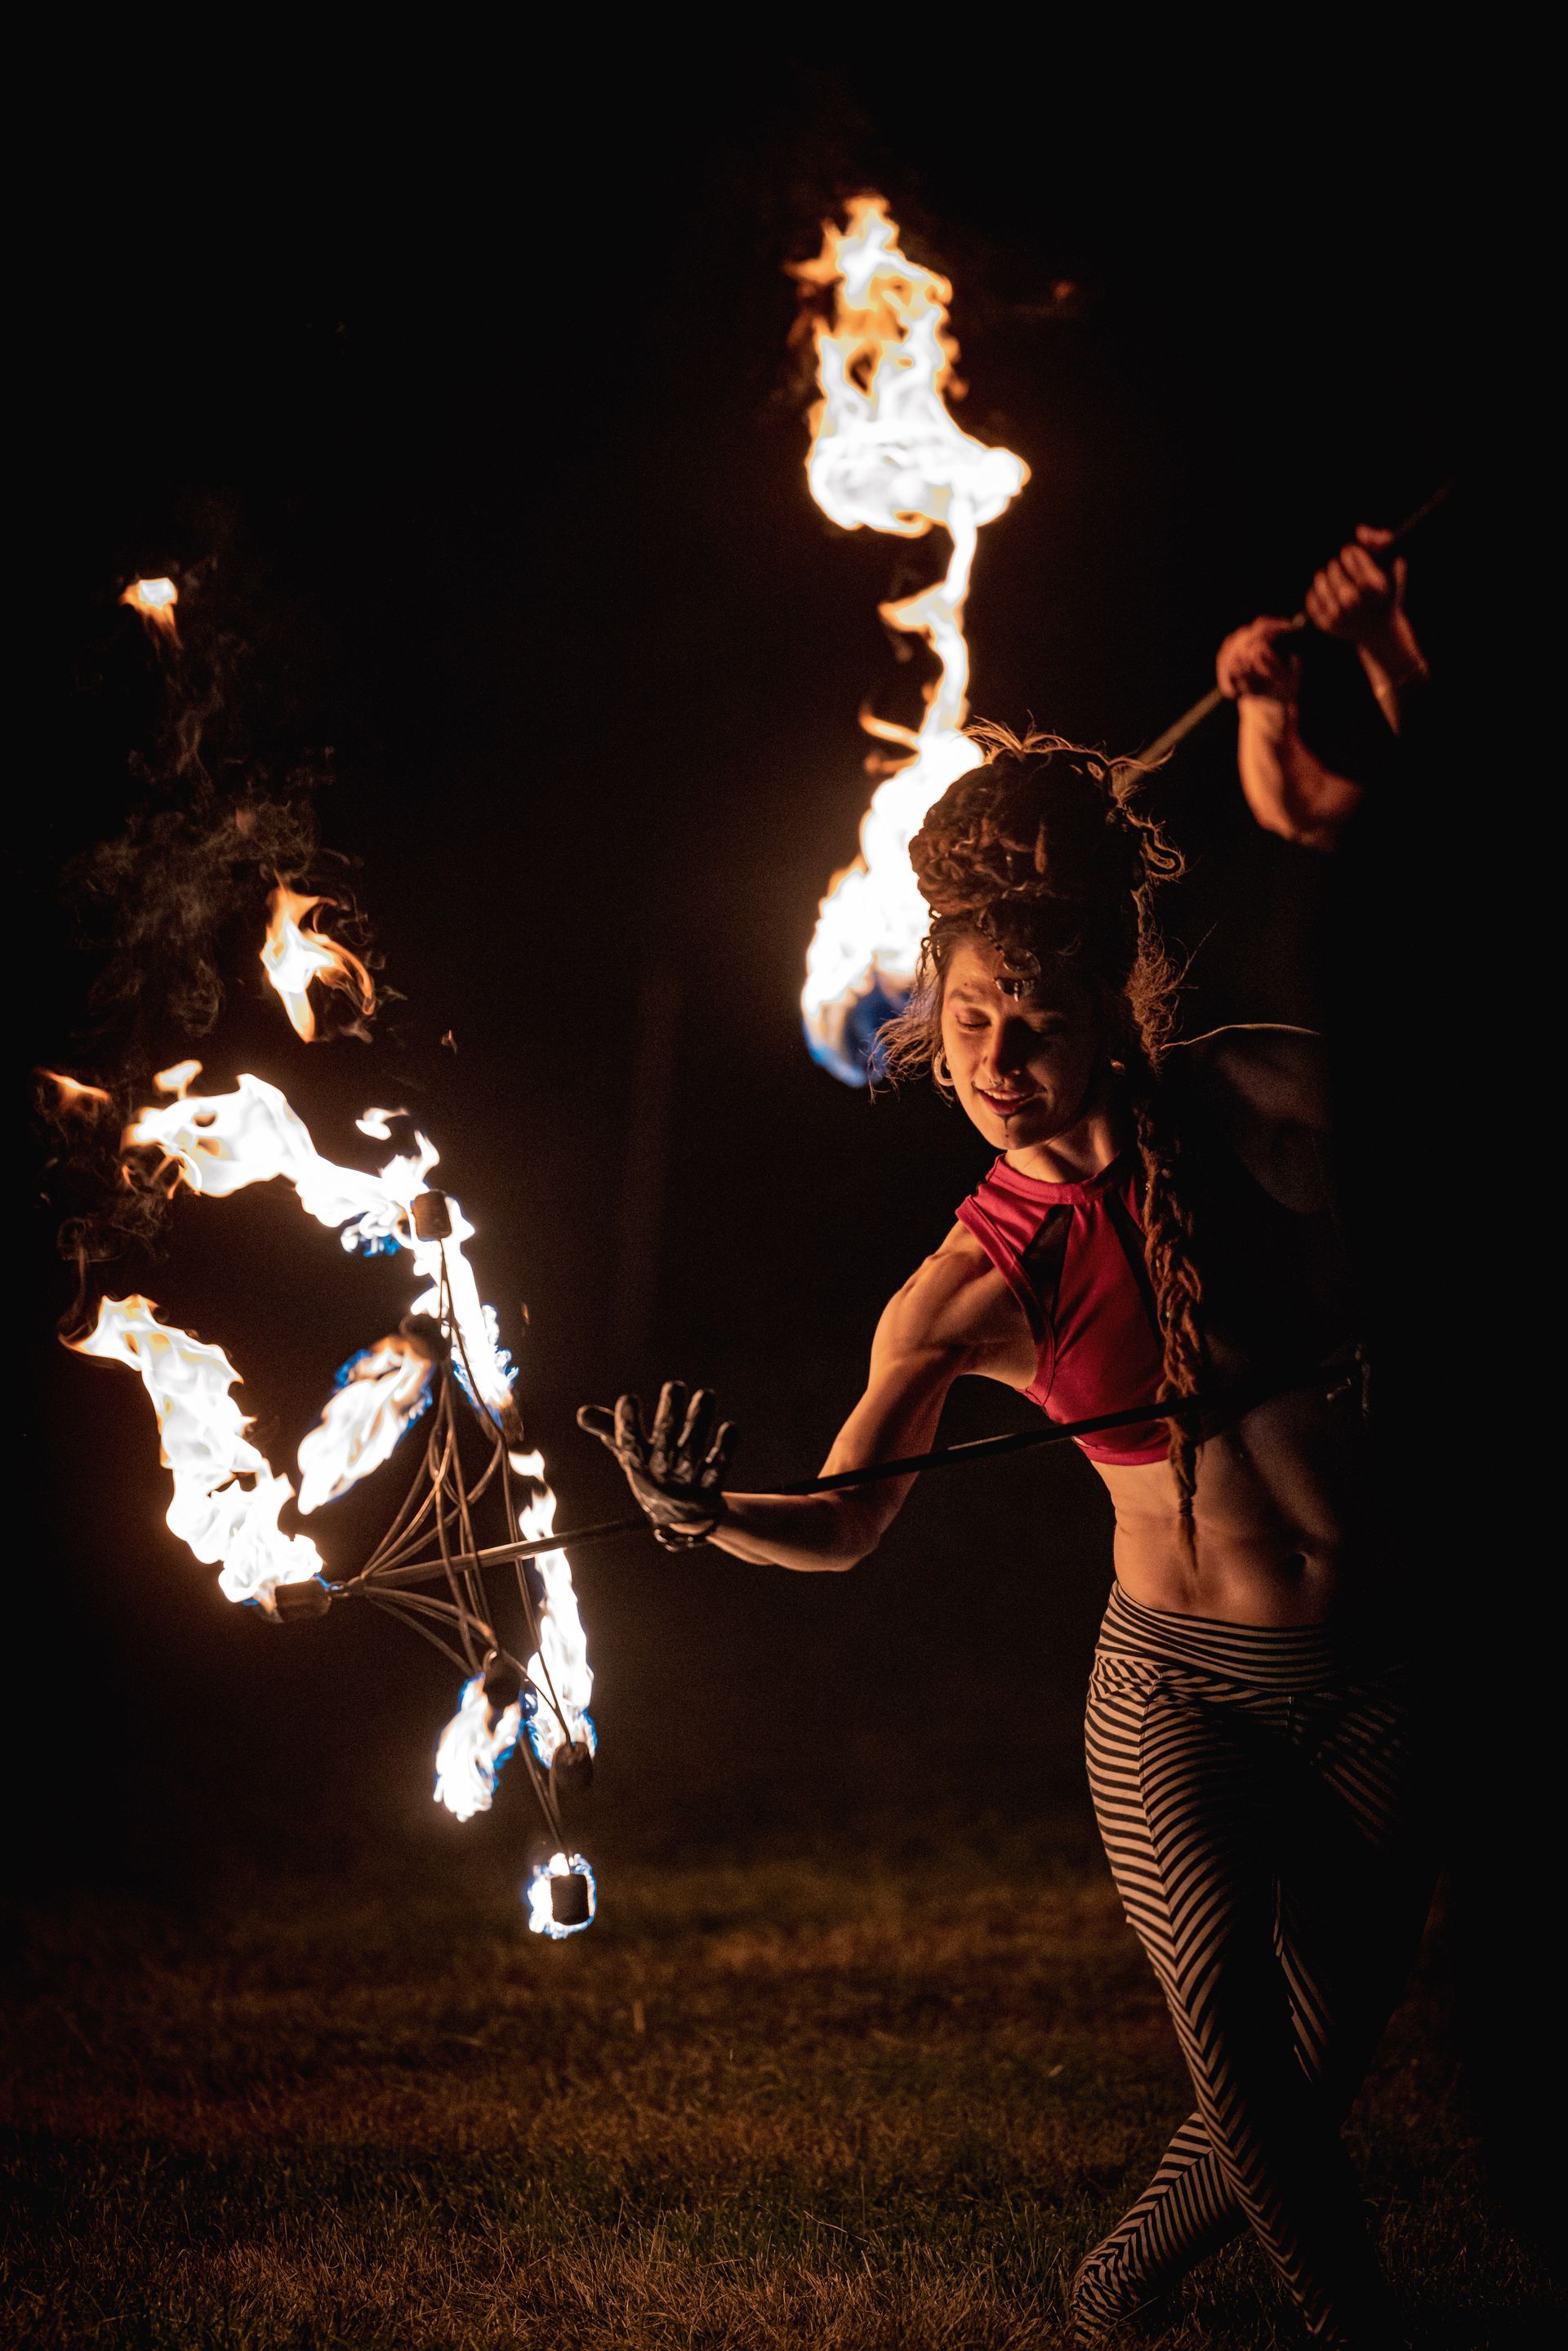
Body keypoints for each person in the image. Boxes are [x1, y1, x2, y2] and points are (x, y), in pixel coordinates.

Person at [580, 726, 1432, 2348]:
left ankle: (1117, 2282)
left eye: (1034, 1018)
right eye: (970, 1019)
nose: (998, 1055)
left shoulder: (1252, 1099)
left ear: (1110, 1007)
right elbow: (845, 1524)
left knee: (1310, 2071)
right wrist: (706, 1516)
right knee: (1237, 2039)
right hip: (1175, 1693)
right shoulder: (968, 1283)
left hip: (1381, 1676)